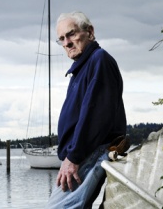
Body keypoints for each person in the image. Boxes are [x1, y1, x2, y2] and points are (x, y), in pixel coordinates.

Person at [46, 11, 127, 208]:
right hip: (82, 154)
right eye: (62, 39)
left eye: (71, 34)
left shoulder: (98, 60)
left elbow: (94, 115)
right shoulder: (82, 67)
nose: (67, 42)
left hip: (88, 153)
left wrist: (73, 158)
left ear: (89, 32)